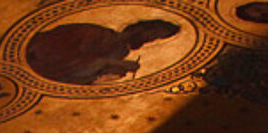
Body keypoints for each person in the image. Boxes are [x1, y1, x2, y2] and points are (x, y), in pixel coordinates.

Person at [24, 19, 181, 85]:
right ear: (140, 28)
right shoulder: (94, 33)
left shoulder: (121, 52)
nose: (150, 40)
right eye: (152, 35)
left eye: (156, 39)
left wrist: (115, 72)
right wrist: (111, 63)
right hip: (41, 58)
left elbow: (90, 80)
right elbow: (69, 58)